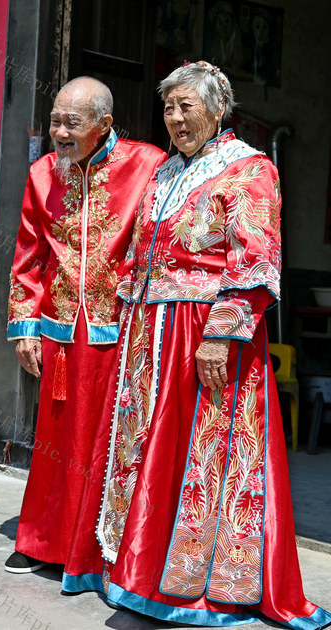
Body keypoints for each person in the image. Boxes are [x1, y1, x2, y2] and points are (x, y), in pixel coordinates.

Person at [60, 61, 331, 629]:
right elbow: (138, 253)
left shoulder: (248, 170)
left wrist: (222, 334)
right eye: (168, 108)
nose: (176, 118)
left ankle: (191, 584)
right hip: (147, 334)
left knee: (199, 458)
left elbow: (256, 262)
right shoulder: (164, 175)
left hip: (204, 333)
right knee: (146, 451)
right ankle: (135, 570)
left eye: (187, 106)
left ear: (216, 108)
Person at [4, 77, 166, 574]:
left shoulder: (149, 165)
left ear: (104, 125)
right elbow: (28, 253)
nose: (59, 132)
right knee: (56, 443)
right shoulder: (42, 173)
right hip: (58, 327)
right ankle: (42, 541)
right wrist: (24, 325)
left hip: (121, 328)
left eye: (72, 123)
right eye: (55, 120)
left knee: (112, 439)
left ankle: (100, 551)